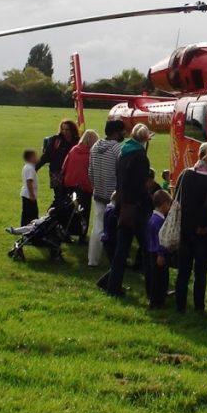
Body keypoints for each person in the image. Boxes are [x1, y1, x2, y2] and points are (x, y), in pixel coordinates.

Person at [99, 124, 153, 298]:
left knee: (122, 250)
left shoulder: (123, 152)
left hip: (124, 206)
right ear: (145, 139)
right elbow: (142, 185)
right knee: (147, 249)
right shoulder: (140, 157)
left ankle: (112, 285)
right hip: (136, 208)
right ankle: (154, 290)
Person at [175, 141, 207, 313]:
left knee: (183, 271)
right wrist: (202, 225)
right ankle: (199, 306)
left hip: (185, 228)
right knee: (200, 272)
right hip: (203, 231)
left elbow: (177, 199)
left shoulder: (186, 175)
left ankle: (180, 305)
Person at [87, 120, 126, 267]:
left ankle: (92, 260)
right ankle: (114, 260)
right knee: (115, 228)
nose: (124, 134)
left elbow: (90, 172)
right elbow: (122, 171)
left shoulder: (95, 147)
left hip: (98, 193)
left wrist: (96, 186)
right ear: (116, 132)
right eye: (122, 131)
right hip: (114, 195)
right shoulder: (117, 149)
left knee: (97, 227)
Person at [62, 129, 99, 244]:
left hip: (70, 184)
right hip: (84, 186)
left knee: (70, 211)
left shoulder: (73, 150)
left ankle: (67, 233)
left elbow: (64, 166)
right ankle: (82, 236)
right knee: (84, 212)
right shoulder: (91, 154)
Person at [37, 119, 80, 208]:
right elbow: (47, 155)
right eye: (63, 129)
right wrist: (36, 167)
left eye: (67, 129)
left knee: (70, 198)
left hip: (71, 174)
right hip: (56, 173)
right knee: (59, 198)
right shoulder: (56, 140)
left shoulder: (77, 141)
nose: (64, 132)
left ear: (72, 130)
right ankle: (50, 216)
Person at [147, 190, 173, 309]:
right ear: (164, 205)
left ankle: (156, 300)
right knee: (160, 278)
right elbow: (161, 239)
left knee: (156, 277)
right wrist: (161, 254)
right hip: (158, 253)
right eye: (169, 205)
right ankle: (158, 301)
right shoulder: (159, 221)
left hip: (152, 251)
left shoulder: (152, 218)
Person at [19, 149, 39, 227]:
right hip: (29, 195)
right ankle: (30, 228)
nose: (37, 157)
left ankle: (24, 228)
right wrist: (32, 194)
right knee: (32, 214)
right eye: (35, 156)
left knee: (26, 213)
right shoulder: (30, 168)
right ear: (31, 158)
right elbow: (29, 181)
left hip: (26, 195)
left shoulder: (27, 166)